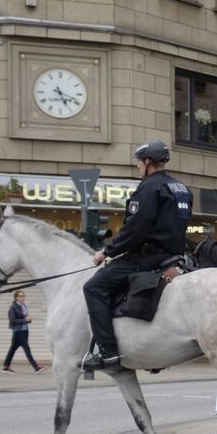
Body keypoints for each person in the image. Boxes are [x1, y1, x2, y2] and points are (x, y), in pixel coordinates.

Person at [81, 140, 192, 372]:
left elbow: (136, 229)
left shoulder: (150, 187)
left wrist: (107, 251)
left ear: (148, 161)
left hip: (146, 257)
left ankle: (108, 352)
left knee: (94, 287)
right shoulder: (182, 188)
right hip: (173, 256)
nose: (138, 167)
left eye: (139, 163)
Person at [2, 290, 47, 374]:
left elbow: (24, 318)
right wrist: (25, 320)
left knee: (13, 349)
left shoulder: (23, 306)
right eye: (20, 296)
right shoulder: (13, 307)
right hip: (18, 331)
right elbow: (12, 321)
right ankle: (36, 367)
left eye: (23, 296)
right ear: (16, 298)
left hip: (24, 330)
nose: (22, 297)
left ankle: (6, 366)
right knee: (27, 348)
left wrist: (28, 320)